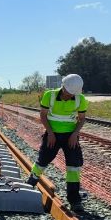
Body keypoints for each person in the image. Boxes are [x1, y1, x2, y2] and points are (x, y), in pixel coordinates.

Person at [26, 73, 88, 210]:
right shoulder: (50, 95)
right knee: (43, 160)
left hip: (70, 136)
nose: (69, 95)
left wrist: (75, 134)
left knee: (74, 166)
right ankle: (31, 182)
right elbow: (43, 115)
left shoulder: (80, 99)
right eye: (68, 92)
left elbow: (82, 118)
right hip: (52, 134)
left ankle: (74, 200)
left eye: (72, 94)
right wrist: (50, 133)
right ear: (63, 87)